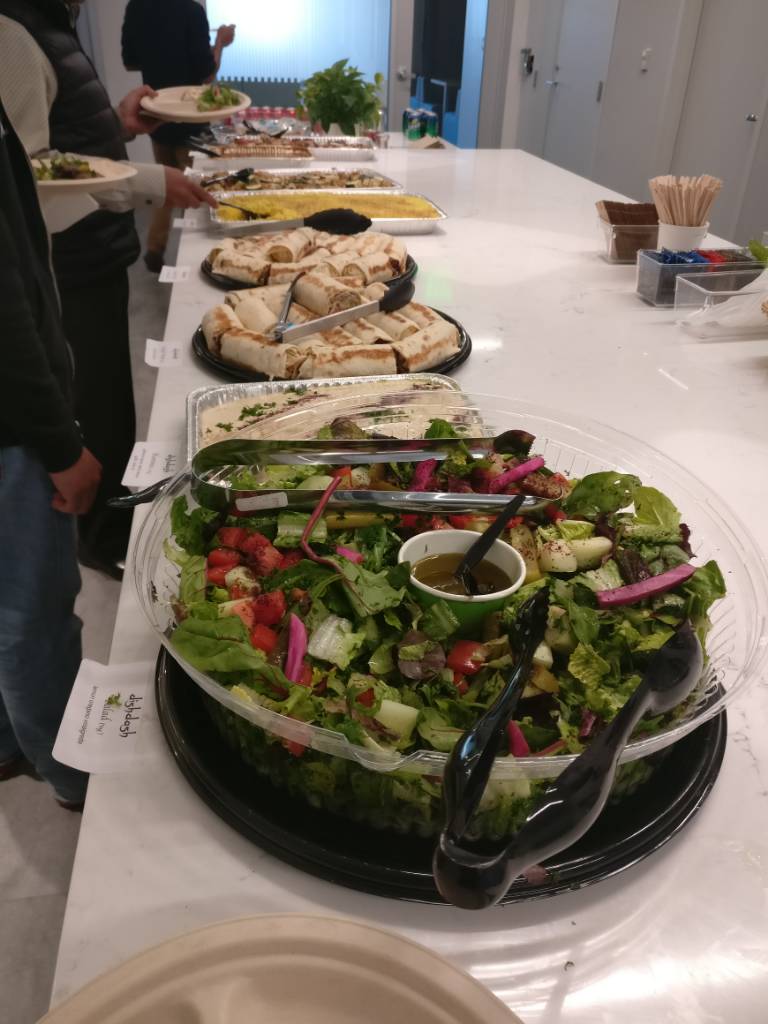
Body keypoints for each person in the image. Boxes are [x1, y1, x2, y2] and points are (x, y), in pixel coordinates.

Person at [0, 0, 216, 580]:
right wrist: (147, 179)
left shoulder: (46, 21)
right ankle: (102, 539)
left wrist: (117, 127)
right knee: (97, 407)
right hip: (67, 259)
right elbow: (29, 170)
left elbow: (55, 137)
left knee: (111, 402)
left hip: (93, 247)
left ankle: (109, 527)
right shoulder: (11, 29)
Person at [0, 96, 100, 810]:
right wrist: (61, 444)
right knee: (33, 616)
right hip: (13, 431)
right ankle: (73, 774)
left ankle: (10, 743)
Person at [122, 0, 236, 271]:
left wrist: (160, 55)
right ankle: (202, 260)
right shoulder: (191, 10)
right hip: (191, 119)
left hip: (156, 114)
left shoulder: (136, 6)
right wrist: (221, 41)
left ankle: (155, 246)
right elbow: (207, 74)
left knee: (167, 183)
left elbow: (130, 62)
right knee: (198, 193)